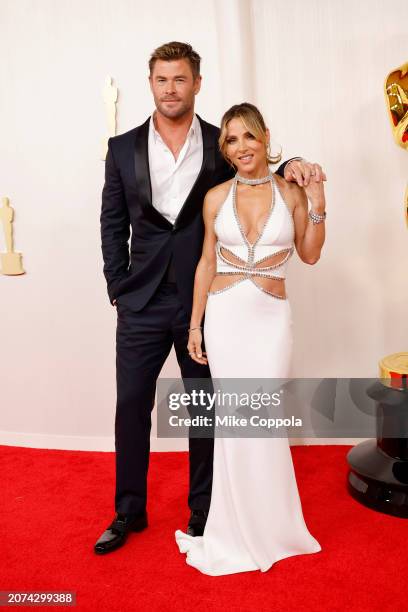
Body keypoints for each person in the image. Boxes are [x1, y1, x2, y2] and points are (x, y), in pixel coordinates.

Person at [95, 41, 326, 555]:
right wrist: (119, 287)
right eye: (161, 79)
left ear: (196, 83)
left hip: (209, 302)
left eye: (180, 79)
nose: (170, 88)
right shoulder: (122, 149)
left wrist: (296, 163)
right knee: (131, 404)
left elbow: (258, 166)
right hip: (141, 302)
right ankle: (128, 509)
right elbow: (112, 223)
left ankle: (205, 508)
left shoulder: (222, 145)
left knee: (206, 408)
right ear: (150, 83)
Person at [175, 102, 325, 575]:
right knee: (235, 425)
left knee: (263, 421)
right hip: (225, 318)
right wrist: (196, 324)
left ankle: (273, 528)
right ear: (226, 149)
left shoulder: (292, 192)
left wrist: (318, 203)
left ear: (264, 138)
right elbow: (205, 262)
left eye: (248, 137)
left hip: (270, 320)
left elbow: (311, 255)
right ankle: (231, 530)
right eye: (231, 140)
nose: (241, 147)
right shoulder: (216, 197)